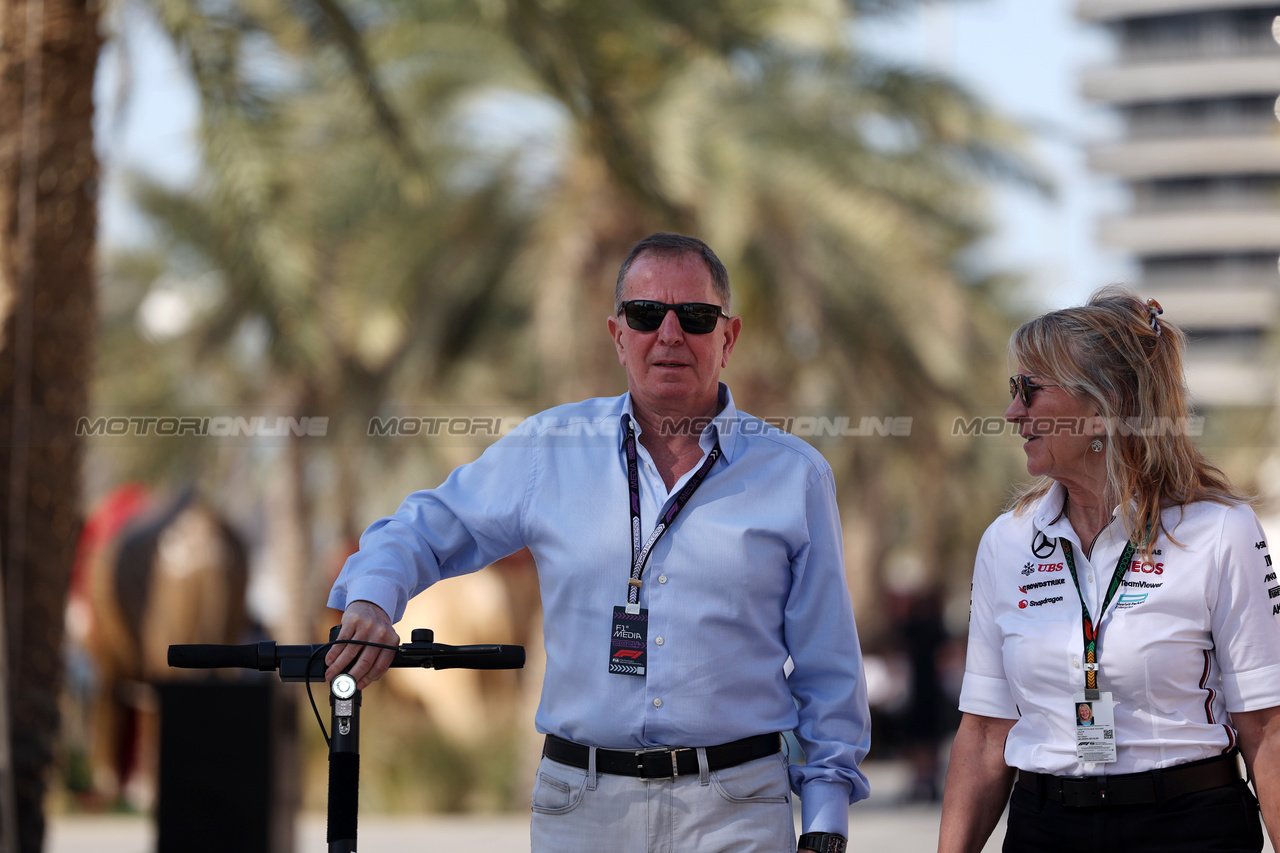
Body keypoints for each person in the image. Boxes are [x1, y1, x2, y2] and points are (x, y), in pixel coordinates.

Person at [324, 232, 871, 853]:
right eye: (645, 315)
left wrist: (826, 820)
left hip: (736, 812)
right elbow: (422, 526)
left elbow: (829, 670)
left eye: (694, 316)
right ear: (617, 335)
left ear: (729, 337)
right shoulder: (548, 451)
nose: (669, 334)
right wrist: (371, 599)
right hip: (580, 811)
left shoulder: (794, 476)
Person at [937, 287, 1280, 853]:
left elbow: (1266, 729)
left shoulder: (1221, 531)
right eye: (1012, 391)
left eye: (1029, 389)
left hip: (1188, 828)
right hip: (1045, 828)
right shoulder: (1007, 542)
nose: (1012, 412)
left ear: (1103, 408)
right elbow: (983, 734)